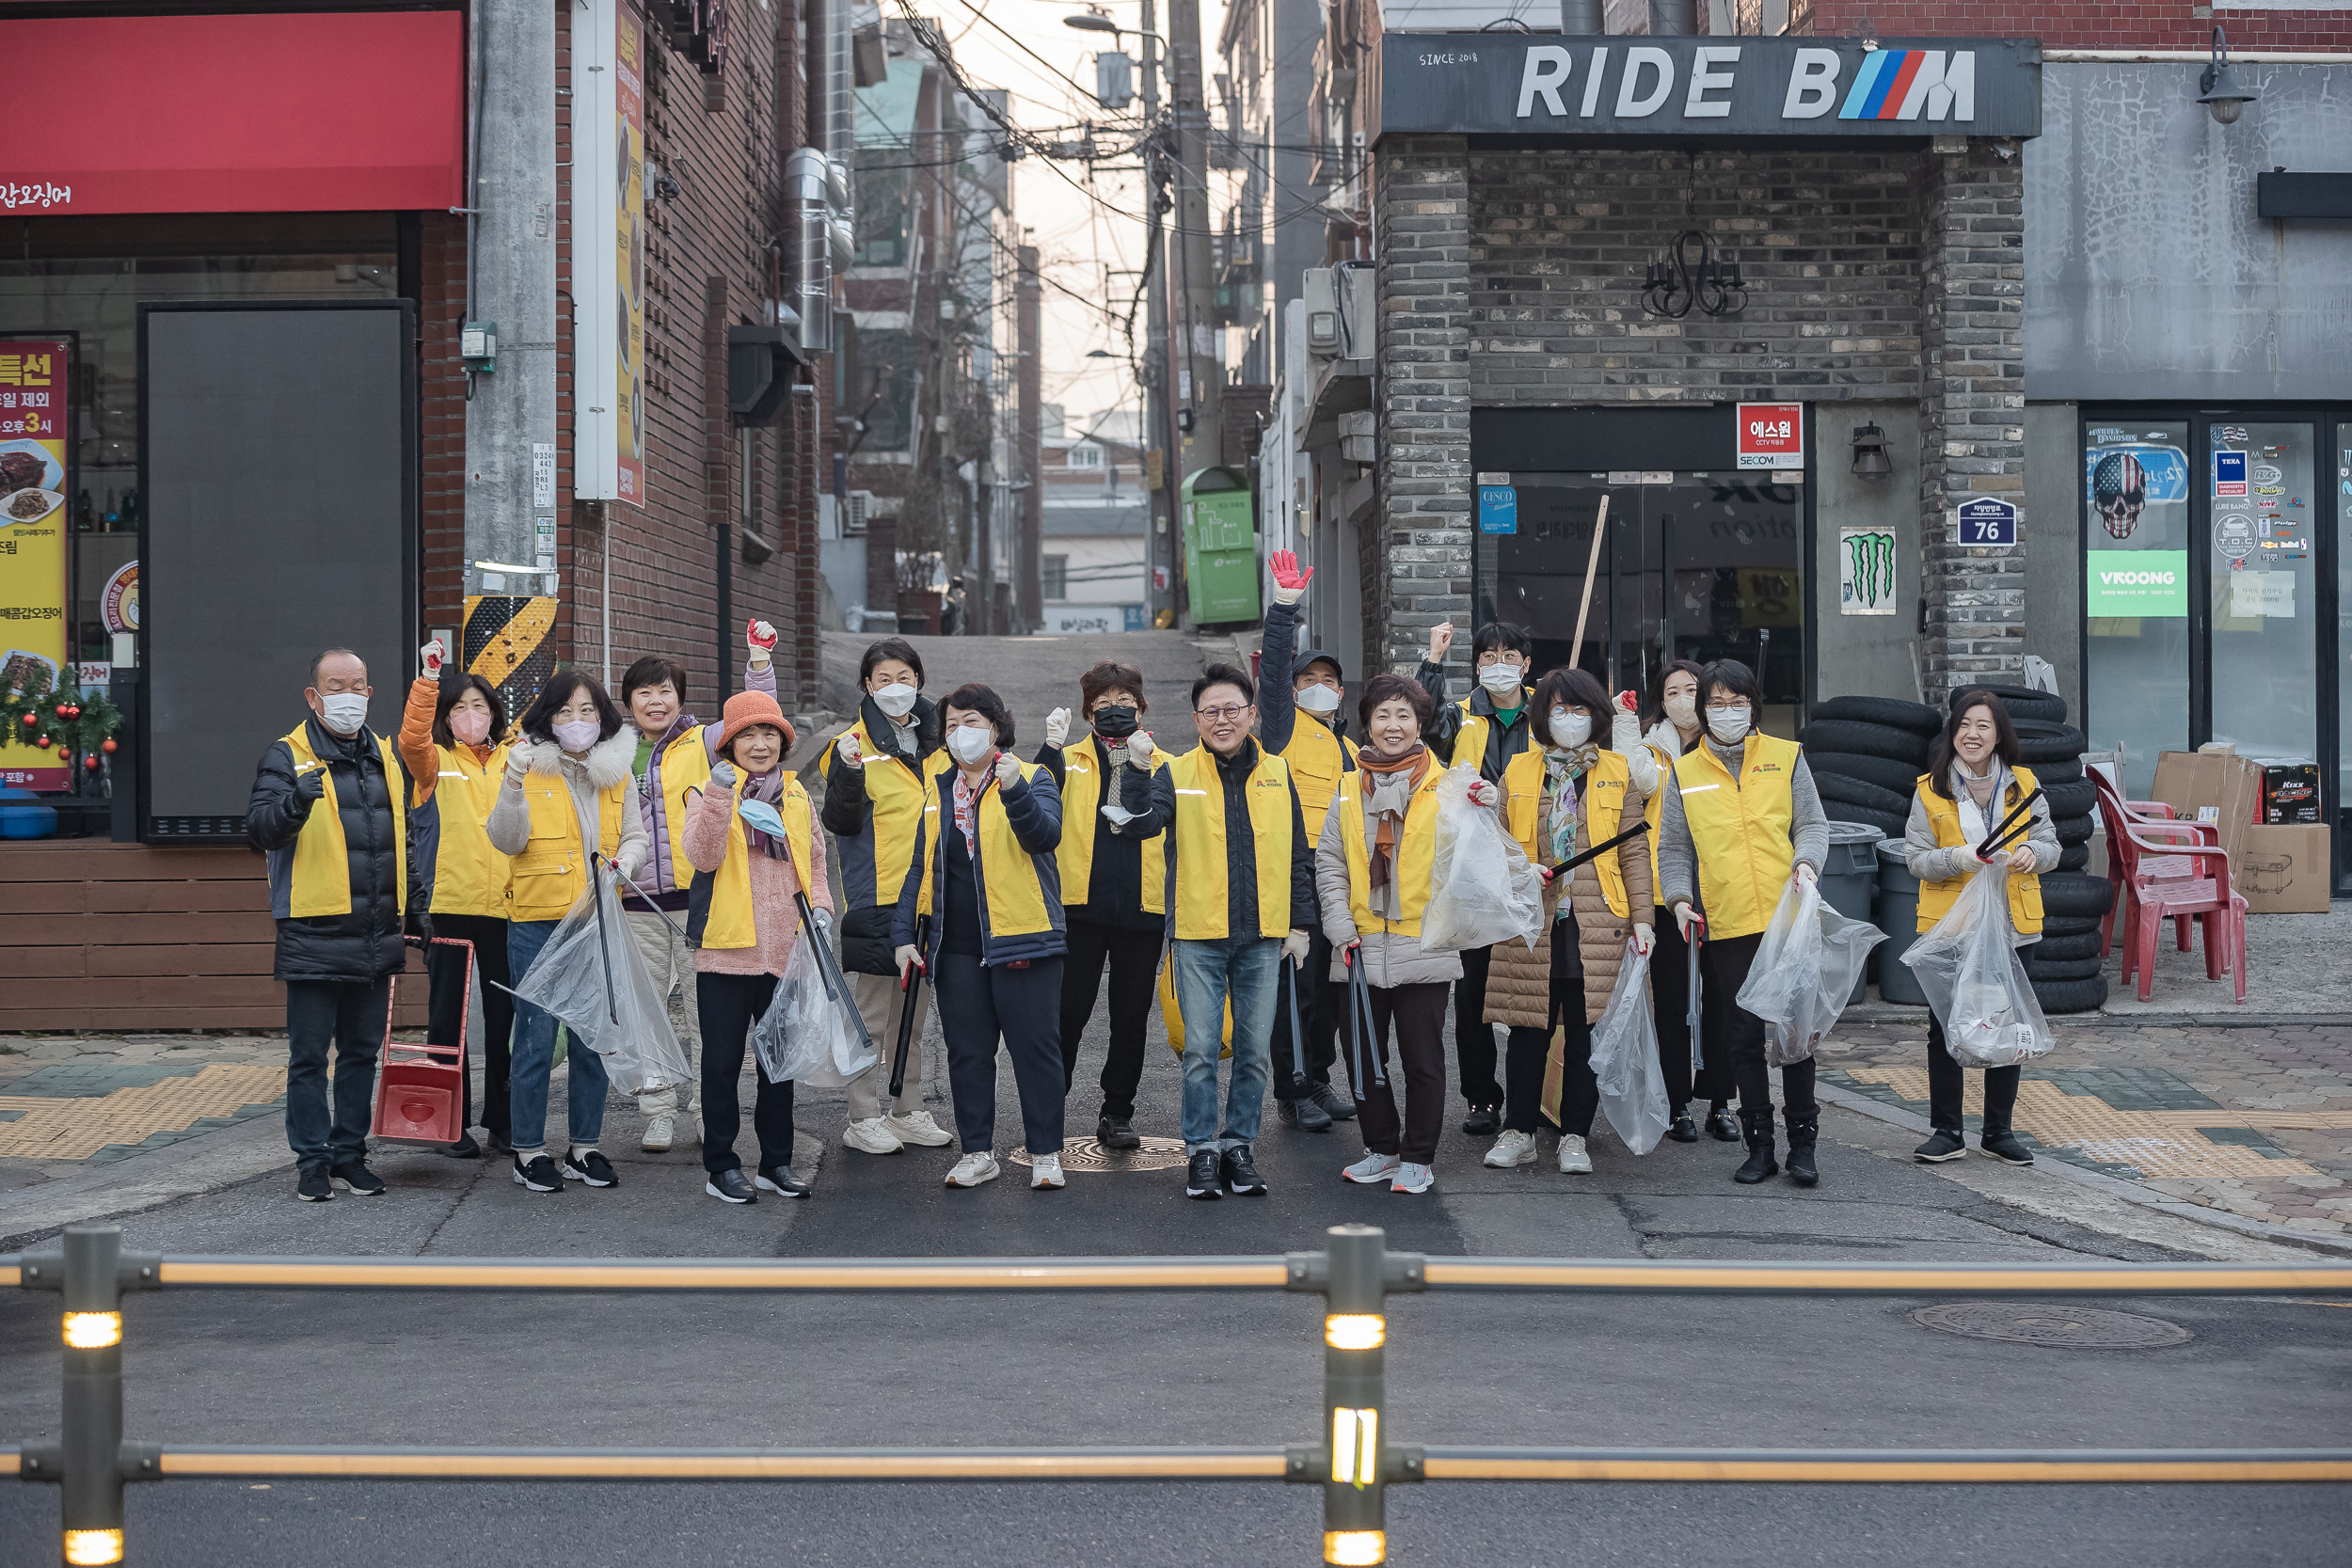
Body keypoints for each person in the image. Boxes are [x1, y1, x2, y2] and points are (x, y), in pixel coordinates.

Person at [1120, 663, 1315, 1201]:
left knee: (1254, 1051)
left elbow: (1299, 855)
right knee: (1202, 1050)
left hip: (1263, 937)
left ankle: (1239, 1146)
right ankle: (1201, 1150)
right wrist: (1137, 770)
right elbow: (1143, 821)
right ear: (1196, 719)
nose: (1223, 719)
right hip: (1198, 935)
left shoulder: (1278, 773)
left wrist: (1301, 924)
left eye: (1233, 709)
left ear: (1251, 714)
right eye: (1212, 711)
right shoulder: (1176, 773)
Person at [246, 649, 415, 1202]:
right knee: (310, 1058)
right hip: (315, 931)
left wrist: (417, 905)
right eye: (336, 685)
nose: (349, 695)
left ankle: (350, 1155)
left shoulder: (385, 756)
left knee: (363, 1053)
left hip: (373, 932)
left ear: (370, 692)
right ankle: (312, 1163)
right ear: (313, 696)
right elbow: (260, 832)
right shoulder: (286, 756)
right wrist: (294, 803)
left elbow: (402, 839)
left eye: (358, 684)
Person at [1656, 659, 1830, 1186]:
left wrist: (1806, 862)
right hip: (1727, 922)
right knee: (1744, 1035)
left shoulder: (1786, 756)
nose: (1727, 712)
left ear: (1754, 705)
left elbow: (1813, 825)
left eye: (1737, 703)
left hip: (1788, 916)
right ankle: (1760, 1145)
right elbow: (1673, 847)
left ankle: (1804, 1144)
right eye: (1716, 703)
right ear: (1701, 709)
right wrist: (1680, 898)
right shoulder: (1685, 772)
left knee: (1796, 1034)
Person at [890, 683, 1069, 1191]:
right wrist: (905, 933)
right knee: (968, 1052)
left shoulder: (1033, 777)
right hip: (957, 944)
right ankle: (977, 1151)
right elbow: (919, 867)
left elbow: (1044, 837)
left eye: (971, 722)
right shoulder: (939, 789)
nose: (960, 733)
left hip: (1025, 938)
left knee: (1035, 1050)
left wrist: (1013, 790)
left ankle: (1045, 1154)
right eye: (950, 725)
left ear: (996, 727)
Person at [1481, 668, 1655, 1175]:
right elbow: (1495, 843)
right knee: (1527, 1029)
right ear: (1543, 715)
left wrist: (1643, 918)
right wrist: (1514, 860)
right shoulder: (1516, 771)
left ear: (1597, 716)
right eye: (1559, 709)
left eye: (1579, 709)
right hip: (1532, 921)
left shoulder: (1618, 771)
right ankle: (1519, 1131)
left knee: (1585, 1033)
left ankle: (1575, 1135)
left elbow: (1635, 852)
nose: (1570, 718)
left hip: (1597, 922)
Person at [617, 621, 783, 1154]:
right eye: (645, 692)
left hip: (701, 903)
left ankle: (704, 1111)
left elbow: (757, 717)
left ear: (680, 697)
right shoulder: (615, 752)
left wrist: (758, 663)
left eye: (665, 690)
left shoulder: (706, 740)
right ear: (629, 702)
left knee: (700, 1011)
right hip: (637, 900)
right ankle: (658, 1111)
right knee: (648, 1010)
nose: (656, 700)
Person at [486, 670, 648, 1195]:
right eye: (564, 712)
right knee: (534, 1040)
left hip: (597, 920)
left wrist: (628, 858)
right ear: (546, 719)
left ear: (601, 718)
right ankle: (529, 1151)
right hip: (536, 921)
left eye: (586, 711)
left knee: (592, 1038)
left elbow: (636, 836)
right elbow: (506, 841)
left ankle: (585, 1147)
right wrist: (511, 784)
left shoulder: (617, 771)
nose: (576, 722)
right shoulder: (525, 766)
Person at [1314, 674, 1460, 1194]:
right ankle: (1381, 1148)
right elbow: (1329, 862)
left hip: (1424, 943)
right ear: (1367, 724)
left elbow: (1470, 864)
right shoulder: (1349, 788)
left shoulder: (1448, 788)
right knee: (1362, 1057)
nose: (1392, 726)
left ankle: (1418, 1156)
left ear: (1420, 724)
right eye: (1382, 716)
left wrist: (1486, 806)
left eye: (1403, 716)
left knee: (1423, 1060)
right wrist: (1337, 924)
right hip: (1357, 944)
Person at [683, 690, 832, 1201]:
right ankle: (721, 1167)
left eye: (770, 734)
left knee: (778, 1065)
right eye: (748, 734)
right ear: (729, 744)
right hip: (725, 951)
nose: (761, 744)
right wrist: (722, 795)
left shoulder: (795, 794)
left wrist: (823, 909)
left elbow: (814, 858)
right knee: (721, 1066)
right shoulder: (705, 793)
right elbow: (701, 857)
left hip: (784, 949)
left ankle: (776, 1163)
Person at [1903, 690, 2058, 1167]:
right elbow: (1915, 859)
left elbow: (2051, 844)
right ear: (1953, 733)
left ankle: (1999, 1131)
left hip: (2012, 924)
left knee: (2005, 1025)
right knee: (1946, 1027)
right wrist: (1959, 857)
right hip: (1954, 927)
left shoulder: (2025, 785)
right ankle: (1947, 1130)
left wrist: (2035, 855)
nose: (1973, 734)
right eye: (1965, 724)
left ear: (1998, 735)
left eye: (1984, 726)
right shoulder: (1930, 788)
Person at [819, 638, 956, 1156]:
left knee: (915, 1015)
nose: (894, 687)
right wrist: (850, 774)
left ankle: (908, 1107)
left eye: (904, 676)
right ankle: (862, 1114)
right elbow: (841, 821)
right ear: (866, 686)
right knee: (873, 1015)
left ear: (918, 681)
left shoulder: (942, 742)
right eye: (883, 679)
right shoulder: (850, 745)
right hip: (878, 894)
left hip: (931, 896)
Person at [1037, 661, 1167, 1149]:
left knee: (1131, 1018)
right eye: (1103, 704)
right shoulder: (1068, 759)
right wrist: (1049, 745)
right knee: (1067, 1014)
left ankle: (1117, 1112)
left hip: (1143, 908)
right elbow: (1036, 800)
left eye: (1124, 702)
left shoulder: (1163, 761)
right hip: (1079, 909)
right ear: (1089, 711)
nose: (1115, 711)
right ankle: (1050, 1110)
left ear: (1142, 706)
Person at [1417, 618, 1536, 1137]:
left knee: (1537, 987)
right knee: (1476, 992)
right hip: (1473, 869)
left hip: (1534, 864)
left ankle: (1538, 1100)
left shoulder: (1548, 715)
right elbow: (1420, 720)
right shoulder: (1462, 716)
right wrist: (1433, 660)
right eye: (1488, 657)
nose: (1499, 665)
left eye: (1510, 656)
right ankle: (1481, 1097)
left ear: (1527, 664)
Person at [396, 637, 515, 1159]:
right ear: (446, 715)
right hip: (448, 904)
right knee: (449, 1019)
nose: (471, 715)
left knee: (509, 1021)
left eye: (480, 706)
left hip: (511, 909)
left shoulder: (516, 759)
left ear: (494, 713)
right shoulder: (434, 762)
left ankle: (506, 1123)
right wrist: (427, 681)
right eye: (460, 707)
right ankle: (449, 1123)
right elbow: (409, 738)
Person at [1618, 658, 1737, 1146]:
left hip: (1724, 892)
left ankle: (1721, 1101)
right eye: (1673, 691)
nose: (1684, 698)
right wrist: (1625, 727)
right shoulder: (1651, 750)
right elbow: (1638, 783)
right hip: (1670, 896)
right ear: (1661, 701)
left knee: (1724, 1003)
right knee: (1671, 1001)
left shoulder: (1731, 750)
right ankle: (1677, 1101)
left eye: (1693, 689)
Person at [1260, 549, 1358, 1134]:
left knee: (1327, 987)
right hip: (1292, 874)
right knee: (1294, 987)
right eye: (1308, 680)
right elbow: (1270, 676)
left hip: (1338, 878)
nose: (1318, 688)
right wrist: (1283, 610)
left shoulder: (1349, 750)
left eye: (1328, 681)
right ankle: (1291, 1088)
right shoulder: (1281, 729)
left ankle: (1319, 1076)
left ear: (1342, 694)